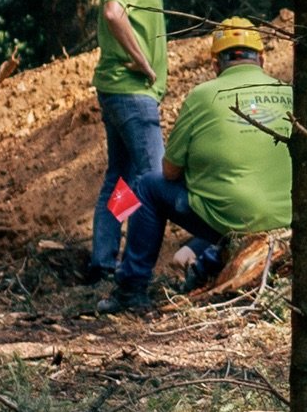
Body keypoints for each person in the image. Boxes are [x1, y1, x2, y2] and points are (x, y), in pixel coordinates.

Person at [117, 19, 292, 313]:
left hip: (234, 222)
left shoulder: (202, 96)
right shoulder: (291, 93)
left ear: (215, 63)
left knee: (145, 186)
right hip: (288, 219)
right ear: (261, 58)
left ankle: (129, 290)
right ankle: (208, 263)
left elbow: (170, 171)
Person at [88, 0, 185, 303]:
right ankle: (134, 281)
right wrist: (144, 62)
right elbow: (113, 11)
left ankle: (104, 260)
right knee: (152, 181)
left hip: (118, 92)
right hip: (130, 92)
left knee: (123, 180)